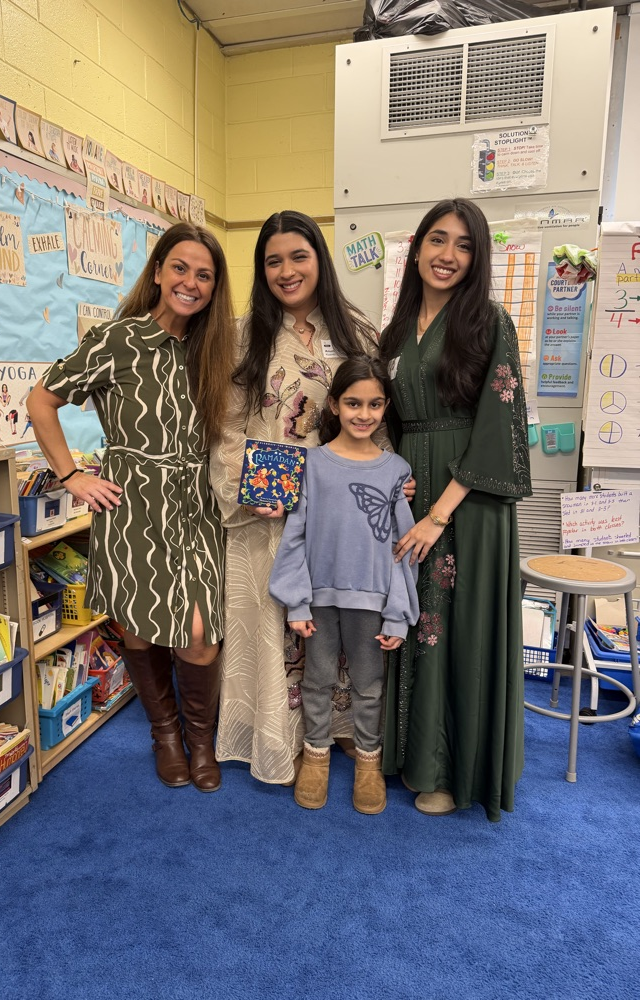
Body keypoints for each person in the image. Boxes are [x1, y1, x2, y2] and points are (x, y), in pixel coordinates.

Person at [27, 222, 236, 792]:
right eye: (180, 268)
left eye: (204, 275)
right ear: (159, 271)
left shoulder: (215, 349)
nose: (190, 283)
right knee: (139, 630)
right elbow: (41, 400)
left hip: (195, 505)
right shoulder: (116, 339)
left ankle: (200, 739)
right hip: (130, 504)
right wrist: (71, 475)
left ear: (215, 288)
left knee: (198, 631)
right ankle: (165, 734)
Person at [210, 209, 401, 786]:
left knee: (343, 625)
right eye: (273, 261)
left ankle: (341, 733)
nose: (287, 271)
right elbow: (225, 430)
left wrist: (392, 484)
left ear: (320, 258)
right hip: (268, 513)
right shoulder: (243, 336)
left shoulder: (359, 331)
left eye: (299, 256)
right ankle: (285, 740)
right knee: (283, 627)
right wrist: (250, 489)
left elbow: (381, 422)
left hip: (342, 517)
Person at [379, 197, 532, 822]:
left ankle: (449, 770)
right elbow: (380, 412)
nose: (448, 255)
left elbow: (499, 425)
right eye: (437, 240)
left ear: (477, 258)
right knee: (409, 618)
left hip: (467, 500)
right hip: (412, 488)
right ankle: (409, 755)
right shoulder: (396, 327)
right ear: (416, 249)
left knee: (451, 626)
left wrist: (439, 512)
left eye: (464, 245)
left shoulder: (490, 323)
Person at [270, 356, 419, 814]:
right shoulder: (311, 464)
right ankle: (315, 756)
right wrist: (296, 601)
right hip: (317, 598)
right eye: (353, 403)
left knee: (369, 685)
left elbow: (403, 547)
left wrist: (398, 611)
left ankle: (368, 763)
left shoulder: (397, 471)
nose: (364, 414)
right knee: (316, 680)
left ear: (385, 407)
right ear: (333, 405)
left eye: (375, 404)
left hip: (372, 600)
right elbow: (294, 535)